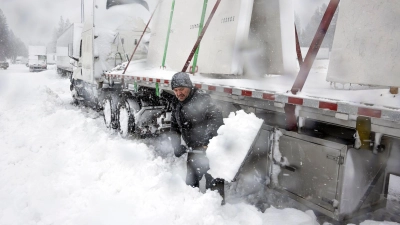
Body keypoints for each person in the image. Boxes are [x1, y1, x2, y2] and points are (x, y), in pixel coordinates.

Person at [169, 72, 225, 203]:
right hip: (193, 151)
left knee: (215, 187)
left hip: (210, 151)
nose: (179, 93)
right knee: (190, 187)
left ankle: (217, 213)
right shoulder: (176, 104)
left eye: (181, 89)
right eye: (176, 90)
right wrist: (176, 145)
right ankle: (193, 211)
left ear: (189, 86)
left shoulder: (202, 99)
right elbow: (174, 128)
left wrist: (206, 141)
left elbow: (216, 119)